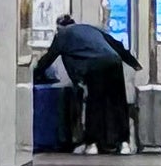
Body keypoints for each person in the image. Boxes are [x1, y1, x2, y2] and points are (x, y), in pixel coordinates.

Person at [35, 11, 134, 153]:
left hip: (94, 65)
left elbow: (48, 58)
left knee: (95, 104)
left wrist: (35, 73)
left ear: (59, 27)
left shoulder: (62, 34)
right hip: (114, 61)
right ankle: (124, 143)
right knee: (118, 102)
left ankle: (93, 144)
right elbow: (116, 44)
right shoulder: (90, 28)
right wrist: (134, 63)